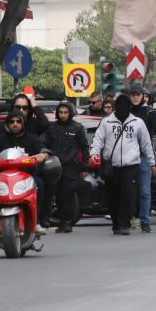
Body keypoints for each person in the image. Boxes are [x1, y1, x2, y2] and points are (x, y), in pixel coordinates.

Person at [90, 93, 156, 236]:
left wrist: (153, 163)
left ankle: (124, 223)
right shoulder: (106, 122)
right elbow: (98, 140)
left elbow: (146, 145)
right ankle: (116, 223)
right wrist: (94, 154)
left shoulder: (137, 123)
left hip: (130, 165)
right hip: (112, 166)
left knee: (129, 196)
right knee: (112, 196)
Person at [0, 111, 50, 233]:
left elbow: (44, 150)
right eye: (12, 122)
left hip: (26, 175)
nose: (15, 124)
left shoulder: (32, 138)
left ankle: (37, 221)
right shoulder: (0, 139)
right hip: (1, 175)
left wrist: (42, 155)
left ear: (23, 123)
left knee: (40, 184)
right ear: (7, 124)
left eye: (18, 121)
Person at [43, 100, 89, 233]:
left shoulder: (77, 128)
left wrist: (85, 166)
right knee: (58, 195)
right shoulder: (52, 128)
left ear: (70, 113)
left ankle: (68, 221)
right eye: (61, 112)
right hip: (55, 167)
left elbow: (84, 147)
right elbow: (45, 144)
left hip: (71, 166)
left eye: (66, 112)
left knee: (68, 194)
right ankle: (62, 221)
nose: (63, 115)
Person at [128, 85, 156, 232]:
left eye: (138, 94)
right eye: (133, 94)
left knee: (145, 190)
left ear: (143, 96)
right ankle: (128, 218)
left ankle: (145, 220)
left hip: (144, 156)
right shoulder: (125, 112)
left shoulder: (150, 113)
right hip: (127, 156)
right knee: (128, 190)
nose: (136, 97)